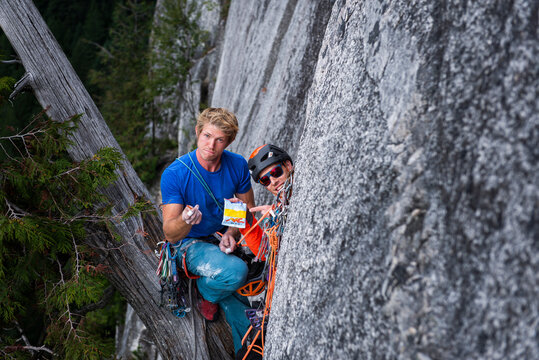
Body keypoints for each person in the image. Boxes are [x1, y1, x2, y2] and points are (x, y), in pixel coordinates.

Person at [160, 107, 255, 354]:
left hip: (218, 237)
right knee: (236, 272)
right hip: (188, 244)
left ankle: (247, 349)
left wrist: (231, 234)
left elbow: (247, 208)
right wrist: (186, 219)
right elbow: (170, 233)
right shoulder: (176, 173)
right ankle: (206, 290)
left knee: (237, 293)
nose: (211, 145)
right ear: (197, 132)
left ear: (229, 142)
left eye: (219, 139)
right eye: (206, 136)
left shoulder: (237, 165)